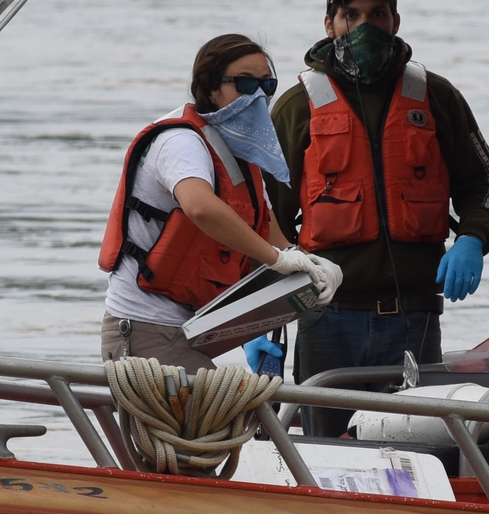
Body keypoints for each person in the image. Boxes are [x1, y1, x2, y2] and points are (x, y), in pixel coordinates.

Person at [267, 0, 489, 435]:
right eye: (350, 15)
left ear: (395, 20)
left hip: (415, 316)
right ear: (329, 23)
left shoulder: (435, 95)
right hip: (326, 318)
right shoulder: (298, 105)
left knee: (414, 443)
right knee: (325, 451)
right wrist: (263, 323)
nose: (364, 25)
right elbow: (264, 219)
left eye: (377, 14)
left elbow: (487, 180)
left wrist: (473, 239)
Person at [100, 34, 341, 372]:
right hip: (144, 327)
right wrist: (276, 260)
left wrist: (306, 260)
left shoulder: (240, 153)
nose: (257, 95)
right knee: (221, 420)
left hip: (193, 328)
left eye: (266, 85)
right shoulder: (181, 142)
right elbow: (199, 206)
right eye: (244, 83)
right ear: (211, 87)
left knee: (237, 416)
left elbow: (263, 222)